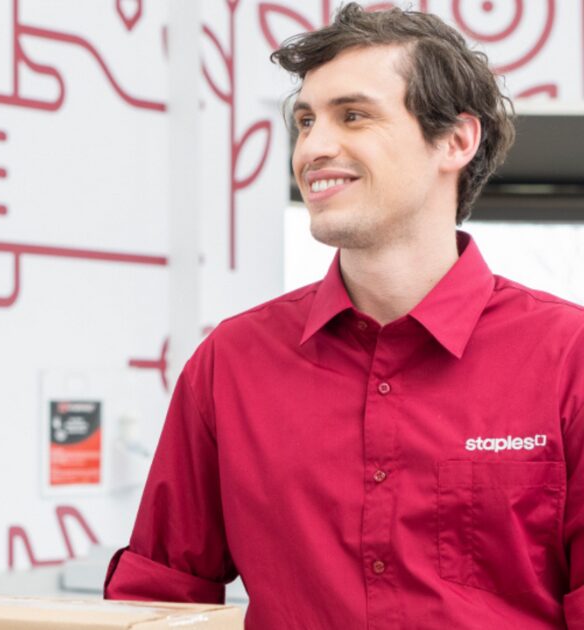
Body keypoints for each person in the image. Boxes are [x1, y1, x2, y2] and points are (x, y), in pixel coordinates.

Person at [105, 4, 584, 628]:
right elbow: (159, 602)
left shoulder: (567, 355)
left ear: (456, 140)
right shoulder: (231, 362)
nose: (313, 148)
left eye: (353, 115)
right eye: (305, 121)